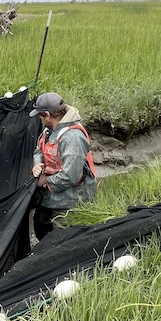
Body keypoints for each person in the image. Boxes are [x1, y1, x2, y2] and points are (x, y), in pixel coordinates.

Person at [29, 92, 98, 240]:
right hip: (50, 195)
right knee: (40, 226)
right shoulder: (49, 130)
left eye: (40, 116)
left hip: (71, 201)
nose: (39, 119)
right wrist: (37, 165)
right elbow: (38, 150)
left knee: (63, 238)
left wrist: (44, 181)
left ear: (47, 115)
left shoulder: (73, 137)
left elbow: (71, 176)